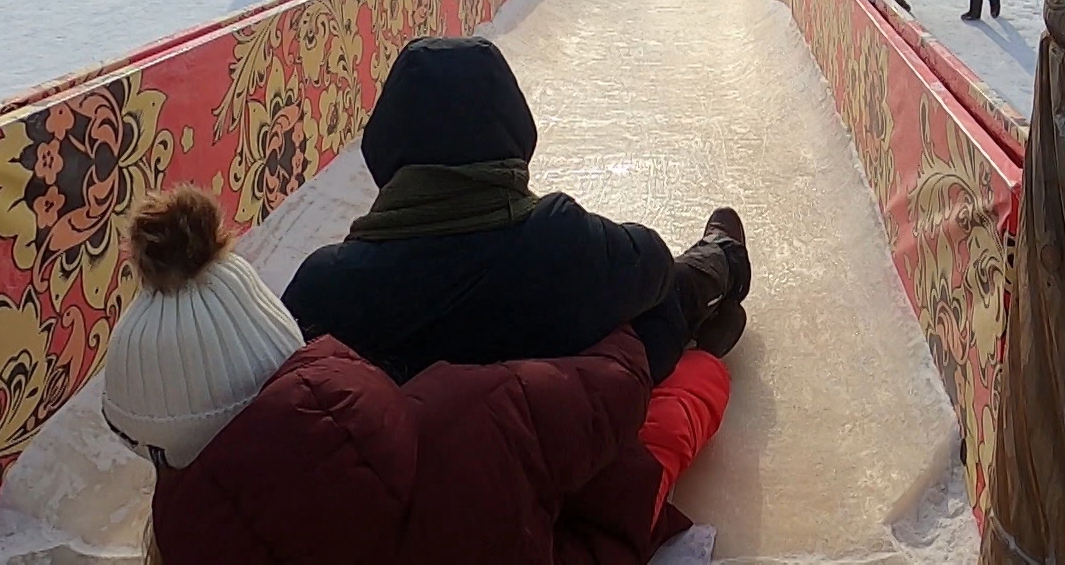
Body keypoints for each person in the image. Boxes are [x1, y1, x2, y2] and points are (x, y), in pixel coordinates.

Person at [103, 186, 738, 565]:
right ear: (282, 336)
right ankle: (707, 322)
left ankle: (705, 313)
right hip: (572, 533)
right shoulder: (459, 415)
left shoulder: (177, 539)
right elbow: (614, 384)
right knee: (659, 424)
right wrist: (615, 307)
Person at [284, 37, 751, 387]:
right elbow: (650, 263)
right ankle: (721, 264)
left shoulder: (324, 287)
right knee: (646, 308)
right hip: (556, 458)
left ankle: (709, 295)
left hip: (410, 481)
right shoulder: (558, 241)